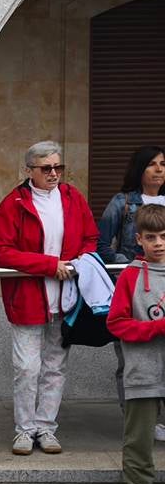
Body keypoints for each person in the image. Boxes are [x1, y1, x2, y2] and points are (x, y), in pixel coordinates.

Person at [0, 140, 98, 456]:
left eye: (58, 167)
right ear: (29, 170)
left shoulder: (72, 198)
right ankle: (24, 430)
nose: (54, 173)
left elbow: (91, 238)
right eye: (46, 168)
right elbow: (0, 250)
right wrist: (50, 265)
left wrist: (79, 262)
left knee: (55, 367)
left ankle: (46, 428)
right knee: (27, 368)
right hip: (28, 298)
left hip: (66, 298)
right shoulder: (14, 204)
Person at [106, 204, 165, 484]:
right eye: (152, 237)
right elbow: (116, 324)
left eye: (164, 236)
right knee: (139, 442)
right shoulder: (130, 276)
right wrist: (157, 328)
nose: (159, 243)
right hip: (143, 373)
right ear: (139, 239)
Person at [96, 146, 165, 412]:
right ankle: (135, 417)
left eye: (162, 164)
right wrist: (127, 266)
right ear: (140, 169)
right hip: (134, 287)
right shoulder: (123, 202)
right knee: (130, 357)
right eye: (152, 164)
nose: (159, 169)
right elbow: (101, 244)